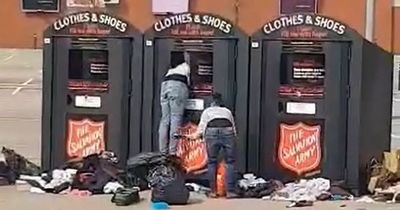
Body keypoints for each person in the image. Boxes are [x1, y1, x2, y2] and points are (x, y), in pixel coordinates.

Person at [188, 92, 239, 198]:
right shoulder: (227, 111)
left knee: (212, 162)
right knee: (230, 162)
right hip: (227, 131)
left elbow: (201, 127)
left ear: (212, 103)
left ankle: (213, 191)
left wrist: (193, 136)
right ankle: (230, 191)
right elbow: (233, 128)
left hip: (211, 131)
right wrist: (233, 139)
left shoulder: (207, 111)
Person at [158, 51, 191, 155]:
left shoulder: (171, 70)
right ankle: (173, 152)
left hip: (165, 84)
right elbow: (189, 83)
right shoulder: (185, 66)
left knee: (165, 120)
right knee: (175, 118)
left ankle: (162, 151)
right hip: (178, 85)